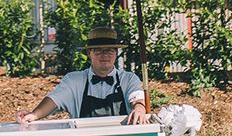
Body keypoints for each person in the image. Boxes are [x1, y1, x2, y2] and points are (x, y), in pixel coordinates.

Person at [16, 27, 148, 125]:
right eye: (98, 51)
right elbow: (54, 100)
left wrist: (140, 109)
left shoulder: (129, 79)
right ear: (89, 53)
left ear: (116, 53)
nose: (104, 55)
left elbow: (137, 99)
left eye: (109, 50)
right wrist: (33, 115)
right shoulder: (74, 80)